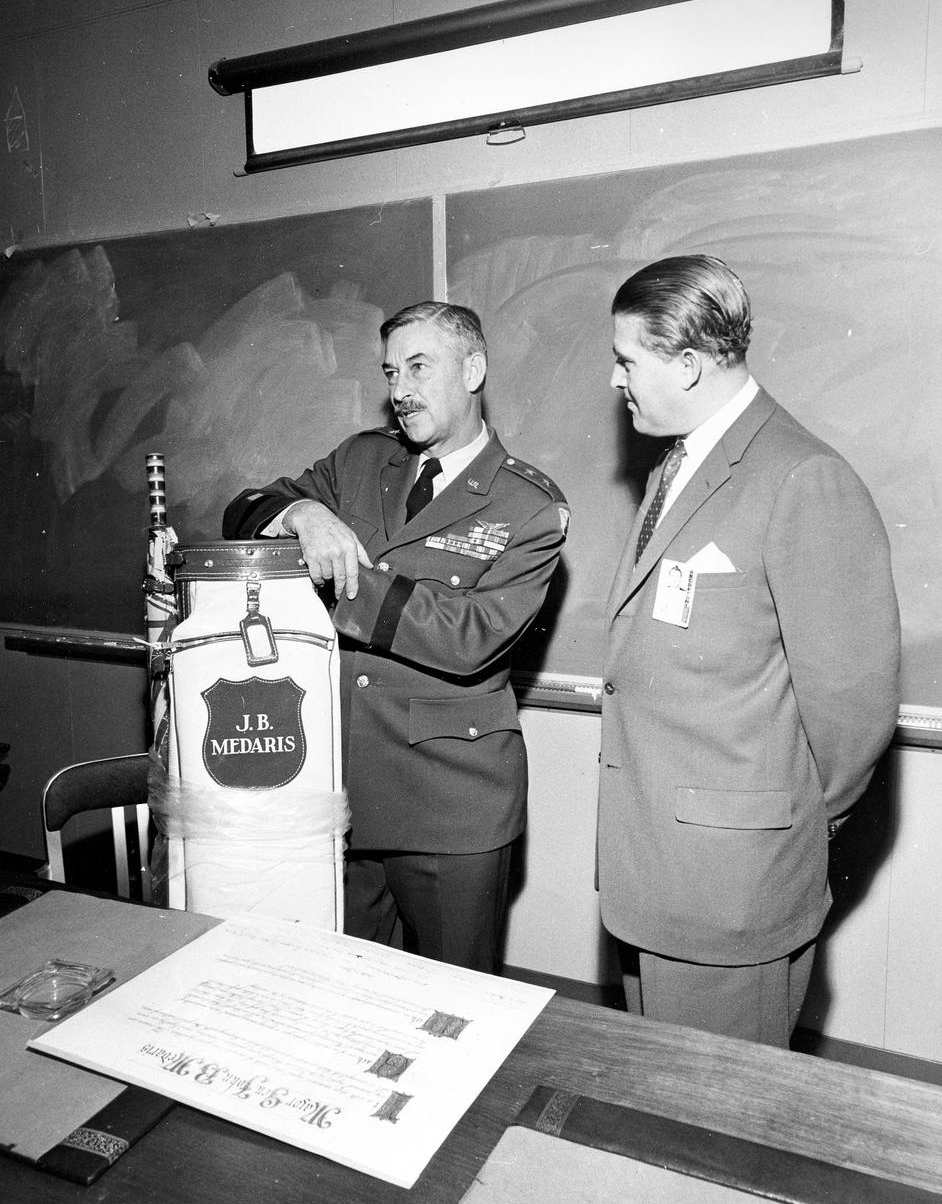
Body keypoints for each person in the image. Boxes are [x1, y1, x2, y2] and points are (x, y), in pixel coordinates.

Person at [599, 254, 900, 1046]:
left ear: (689, 365)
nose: (616, 379)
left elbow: (853, 714)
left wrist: (781, 828)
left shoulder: (802, 478)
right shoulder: (679, 467)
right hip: (654, 877)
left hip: (731, 892)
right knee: (663, 1122)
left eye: (628, 360)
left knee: (712, 1140)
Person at [223, 301, 569, 974]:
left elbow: (471, 637)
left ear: (474, 370)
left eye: (418, 367)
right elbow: (245, 508)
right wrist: (305, 512)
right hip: (345, 796)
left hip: (450, 807)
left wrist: (346, 575)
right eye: (390, 372)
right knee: (346, 999)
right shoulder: (361, 460)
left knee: (453, 1012)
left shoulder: (528, 505)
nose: (400, 391)